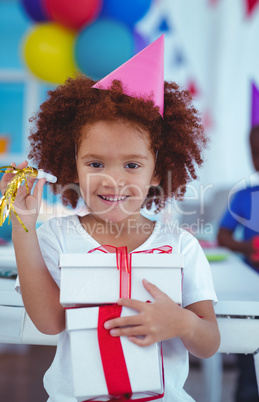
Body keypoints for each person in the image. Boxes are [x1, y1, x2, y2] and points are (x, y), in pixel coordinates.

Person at [0, 36, 220, 402]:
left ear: (156, 172)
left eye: (132, 165)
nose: (112, 179)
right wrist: (24, 224)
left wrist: (181, 322)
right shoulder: (57, 237)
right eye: (95, 163)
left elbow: (209, 343)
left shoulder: (181, 246)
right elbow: (49, 322)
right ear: (74, 166)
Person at [217, 82, 259, 402]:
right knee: (251, 369)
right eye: (256, 152)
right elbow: (222, 235)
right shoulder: (246, 196)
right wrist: (247, 248)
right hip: (252, 295)